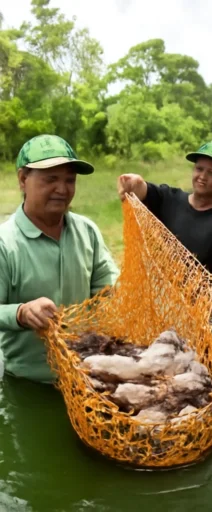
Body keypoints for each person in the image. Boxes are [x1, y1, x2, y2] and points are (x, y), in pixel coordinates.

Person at [0, 134, 119, 384]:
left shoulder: (87, 232)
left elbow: (109, 291)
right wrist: (21, 313)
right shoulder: (5, 243)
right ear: (23, 179)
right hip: (29, 384)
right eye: (51, 179)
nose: (62, 189)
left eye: (70, 180)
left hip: (88, 378)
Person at [116, 141, 212, 351]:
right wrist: (134, 182)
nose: (202, 176)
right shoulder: (171, 200)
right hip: (164, 309)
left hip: (203, 318)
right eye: (199, 169)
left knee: (202, 375)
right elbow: (144, 190)